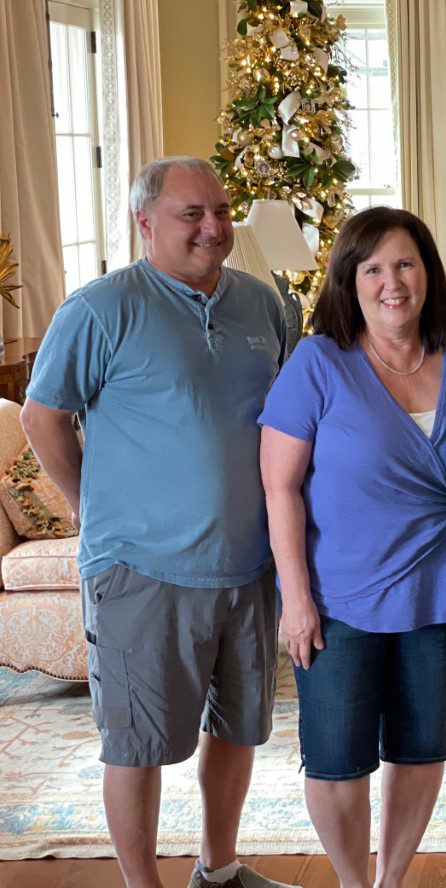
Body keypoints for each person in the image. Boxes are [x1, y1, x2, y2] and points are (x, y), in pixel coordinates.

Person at [20, 157, 292, 888]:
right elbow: (42, 416)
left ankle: (219, 869)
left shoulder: (263, 306)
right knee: (135, 745)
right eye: (191, 214)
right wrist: (87, 504)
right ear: (145, 222)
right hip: (139, 569)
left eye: (222, 211)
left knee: (238, 731)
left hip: (249, 563)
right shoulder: (101, 308)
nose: (213, 227)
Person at [257, 207, 446, 888]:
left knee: (421, 750)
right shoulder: (319, 362)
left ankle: (392, 881)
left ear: (428, 273)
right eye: (372, 268)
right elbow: (279, 488)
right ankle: (355, 882)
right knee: (336, 759)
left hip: (439, 596)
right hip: (338, 601)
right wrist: (295, 600)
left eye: (405, 263)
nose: (391, 282)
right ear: (349, 281)